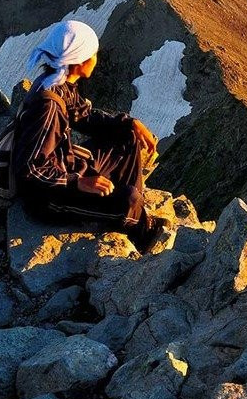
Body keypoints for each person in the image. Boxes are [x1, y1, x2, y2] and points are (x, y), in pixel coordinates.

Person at [11, 20, 167, 251]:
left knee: (127, 138)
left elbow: (84, 117)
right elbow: (30, 169)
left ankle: (129, 213)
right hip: (49, 197)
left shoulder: (59, 84)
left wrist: (130, 123)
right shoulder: (48, 105)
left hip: (66, 165)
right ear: (80, 60)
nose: (96, 58)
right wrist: (80, 182)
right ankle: (137, 227)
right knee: (129, 200)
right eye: (93, 53)